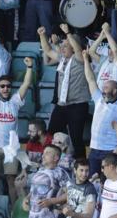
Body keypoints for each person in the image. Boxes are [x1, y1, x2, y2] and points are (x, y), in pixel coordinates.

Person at [0, 55, 33, 202]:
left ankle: (13, 211)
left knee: (11, 180)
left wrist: (29, 67)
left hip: (10, 149)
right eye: (2, 86)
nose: (5, 88)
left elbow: (26, 84)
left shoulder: (15, 102)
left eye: (8, 86)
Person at [38, 26, 89, 157]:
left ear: (74, 46)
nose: (62, 47)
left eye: (66, 45)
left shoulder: (80, 59)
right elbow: (48, 50)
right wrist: (42, 36)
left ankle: (80, 165)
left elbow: (78, 49)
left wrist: (68, 33)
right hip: (61, 105)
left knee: (76, 137)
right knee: (52, 134)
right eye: (63, 45)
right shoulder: (62, 59)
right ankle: (52, 159)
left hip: (77, 105)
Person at [82, 49, 117, 178]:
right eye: (103, 88)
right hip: (94, 148)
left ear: (115, 91)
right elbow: (90, 79)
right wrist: (86, 59)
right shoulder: (99, 100)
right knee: (92, 179)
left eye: (106, 88)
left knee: (107, 181)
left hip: (110, 151)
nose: (103, 90)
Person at [25, 144, 71, 218]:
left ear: (56, 158)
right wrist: (27, 198)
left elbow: (70, 194)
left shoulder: (61, 173)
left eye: (47, 153)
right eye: (43, 153)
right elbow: (33, 190)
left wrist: (52, 201)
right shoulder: (39, 171)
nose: (43, 156)